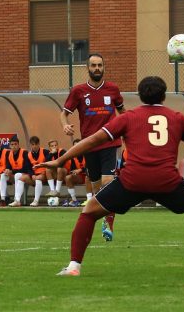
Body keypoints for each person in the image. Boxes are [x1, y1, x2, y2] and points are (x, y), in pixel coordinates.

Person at [37, 76, 184, 276]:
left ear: (140, 96)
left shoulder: (128, 117)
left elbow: (93, 140)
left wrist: (60, 160)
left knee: (89, 213)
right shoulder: (176, 118)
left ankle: (74, 266)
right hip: (167, 182)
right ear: (164, 96)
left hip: (132, 181)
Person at [60, 53, 125, 241]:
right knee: (97, 189)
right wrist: (65, 124)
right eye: (94, 65)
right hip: (89, 145)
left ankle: (109, 223)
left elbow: (122, 111)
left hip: (110, 142)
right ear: (87, 68)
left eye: (100, 65)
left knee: (108, 183)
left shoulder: (113, 89)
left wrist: (125, 127)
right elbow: (64, 113)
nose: (97, 68)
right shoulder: (78, 91)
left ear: (104, 67)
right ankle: (100, 216)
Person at [6, 135, 34, 207]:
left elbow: (26, 168)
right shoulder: (9, 154)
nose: (14, 146)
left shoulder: (24, 152)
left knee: (17, 175)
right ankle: (4, 199)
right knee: (4, 175)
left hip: (27, 174)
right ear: (9, 146)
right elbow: (8, 166)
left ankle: (16, 199)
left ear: (18, 145)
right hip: (16, 174)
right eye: (12, 144)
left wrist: (12, 171)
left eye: (15, 144)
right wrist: (7, 170)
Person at [26, 136, 52, 206]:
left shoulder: (45, 152)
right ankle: (17, 200)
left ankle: (36, 200)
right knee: (19, 177)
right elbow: (28, 168)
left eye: (36, 144)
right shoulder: (28, 155)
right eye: (33, 144)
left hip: (45, 175)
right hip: (35, 175)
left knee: (38, 180)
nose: (34, 146)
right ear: (30, 145)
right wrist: (32, 175)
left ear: (39, 144)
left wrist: (43, 173)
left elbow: (48, 162)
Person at [62, 138, 88, 207]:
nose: (76, 148)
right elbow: (72, 169)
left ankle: (90, 199)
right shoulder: (73, 157)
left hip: (89, 176)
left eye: (78, 145)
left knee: (89, 176)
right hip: (79, 177)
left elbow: (91, 167)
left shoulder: (88, 154)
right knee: (68, 177)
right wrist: (73, 172)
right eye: (75, 146)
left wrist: (81, 170)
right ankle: (74, 200)